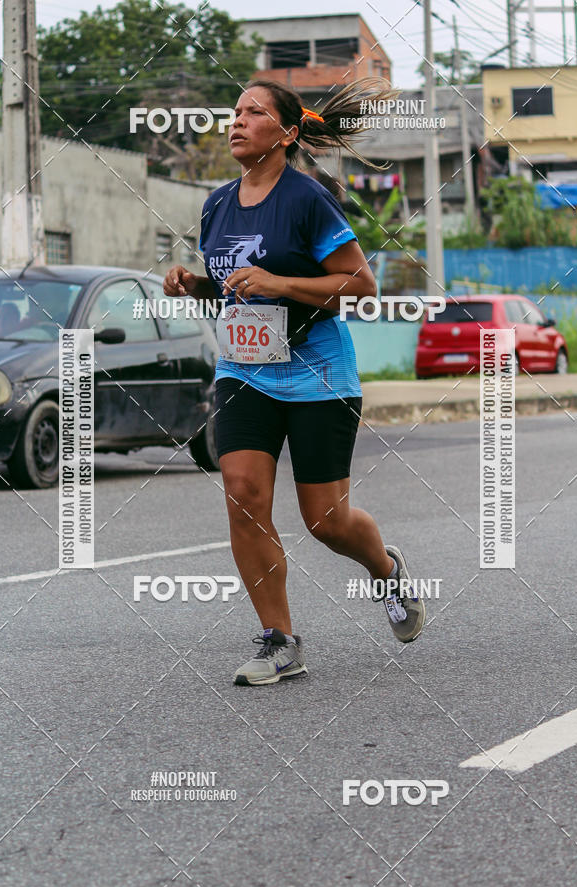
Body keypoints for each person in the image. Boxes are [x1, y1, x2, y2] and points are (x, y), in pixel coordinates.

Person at [164, 77, 426, 686]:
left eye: (253, 113)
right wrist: (195, 285)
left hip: (319, 376)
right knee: (243, 494)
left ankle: (386, 570)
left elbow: (363, 286)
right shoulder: (217, 205)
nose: (236, 122)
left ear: (284, 133)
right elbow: (236, 287)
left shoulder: (308, 199)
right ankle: (280, 640)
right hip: (245, 369)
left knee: (325, 521)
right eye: (234, 112)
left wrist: (280, 285)